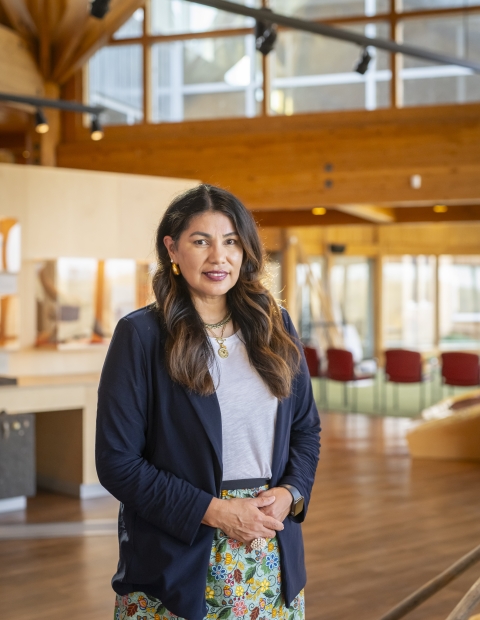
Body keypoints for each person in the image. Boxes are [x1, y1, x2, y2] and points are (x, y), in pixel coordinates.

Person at [96, 184, 320, 620]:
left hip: (267, 551)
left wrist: (291, 491)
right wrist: (216, 512)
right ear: (173, 249)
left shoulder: (277, 326)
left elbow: (305, 428)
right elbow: (117, 462)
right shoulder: (141, 336)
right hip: (177, 552)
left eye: (231, 241)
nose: (219, 256)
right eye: (202, 241)